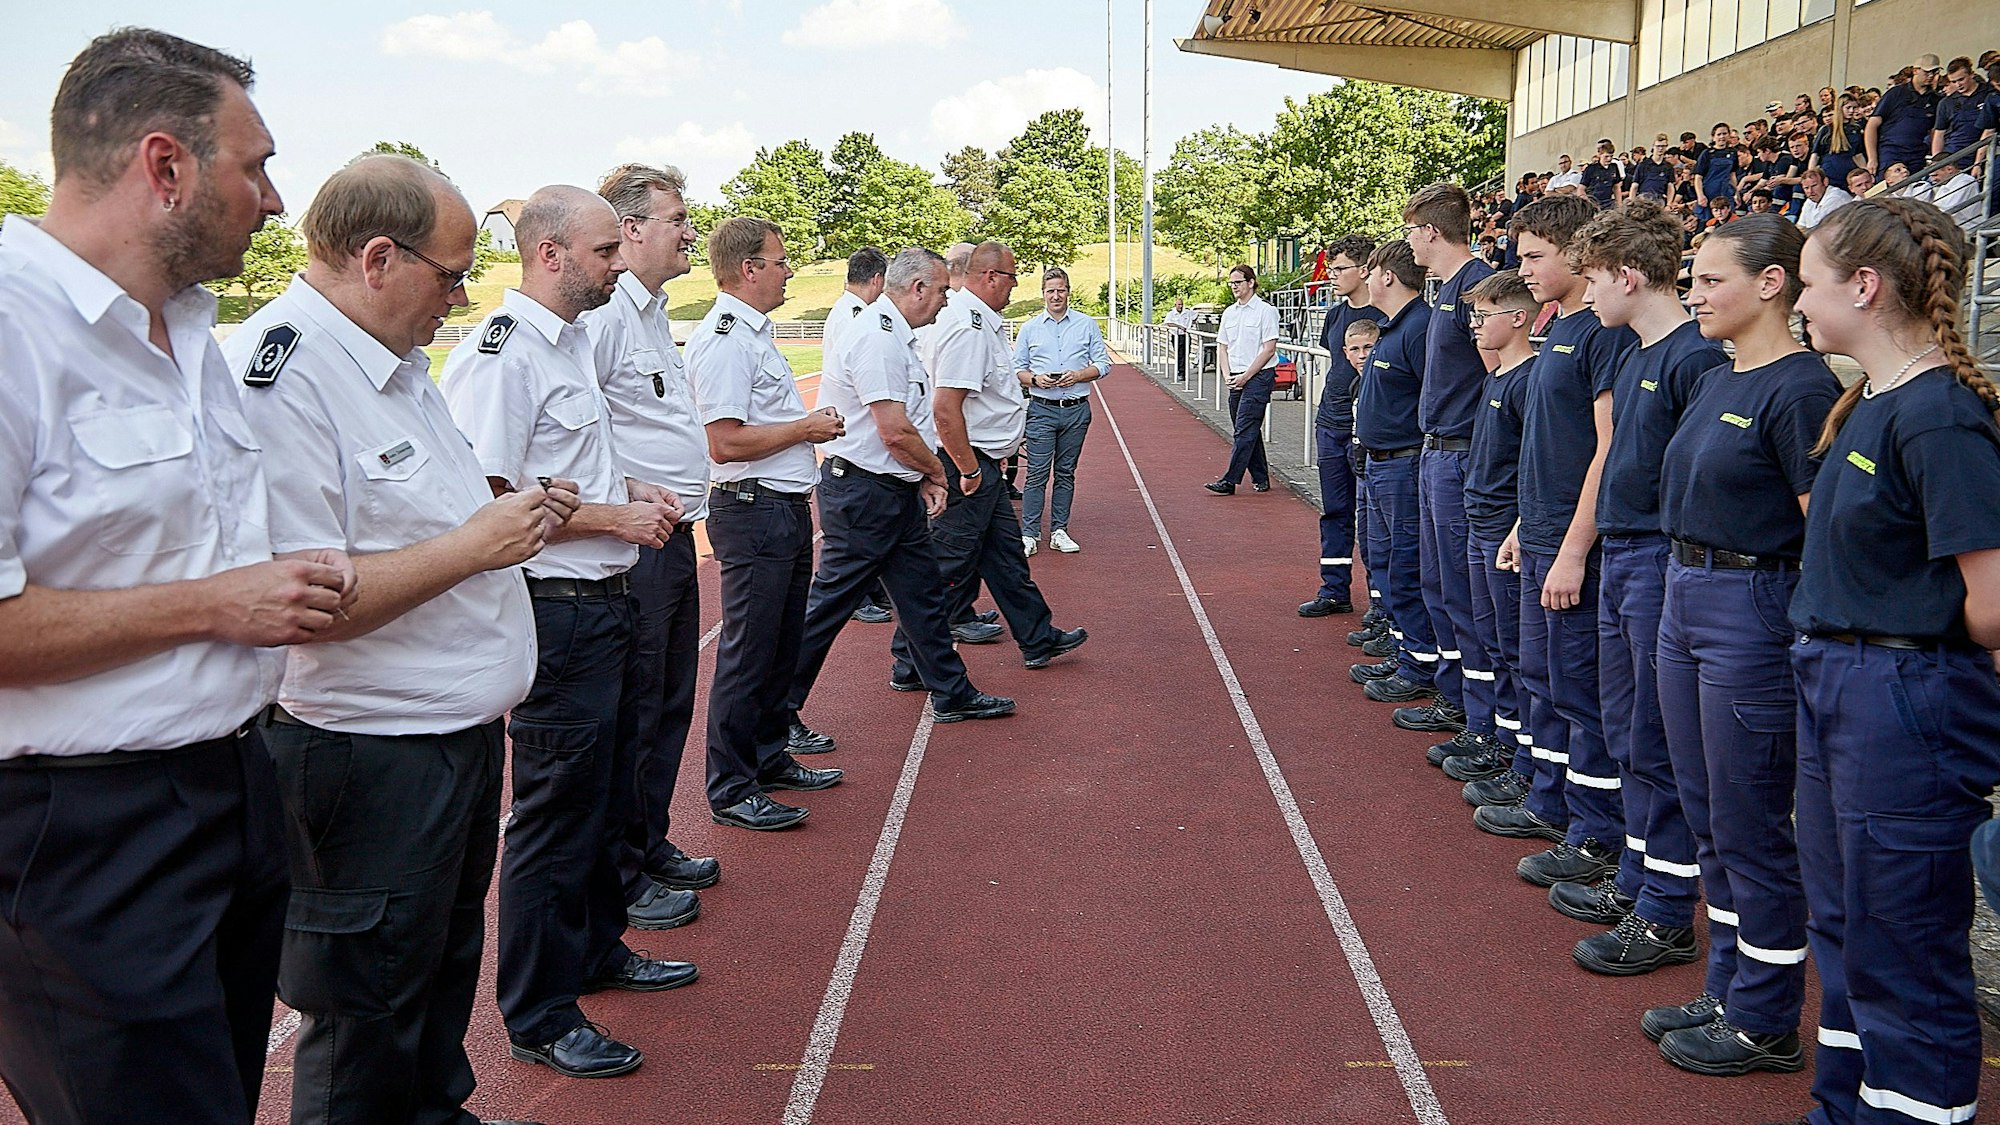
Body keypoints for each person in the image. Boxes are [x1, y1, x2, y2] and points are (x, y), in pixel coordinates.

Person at [0, 29, 352, 1124]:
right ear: (166, 166)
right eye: (256, 166)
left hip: (232, 788)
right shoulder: (17, 330)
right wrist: (218, 603)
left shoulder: (191, 333)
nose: (276, 200)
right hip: (85, 830)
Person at [228, 153, 571, 1125]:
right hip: (367, 755)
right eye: (451, 274)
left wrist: (503, 514)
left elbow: (413, 519)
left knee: (434, 972)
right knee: (362, 1013)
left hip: (446, 736)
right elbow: (306, 600)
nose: (461, 299)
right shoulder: (288, 371)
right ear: (379, 257)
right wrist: (474, 544)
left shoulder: (398, 366)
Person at [442, 186, 689, 1081]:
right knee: (552, 814)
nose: (617, 265)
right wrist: (609, 523)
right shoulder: (503, 357)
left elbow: (576, 460)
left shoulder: (574, 341)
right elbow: (487, 499)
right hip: (555, 609)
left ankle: (593, 949)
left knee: (602, 793)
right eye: (601, 252)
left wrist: (633, 493)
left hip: (604, 604)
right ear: (548, 254)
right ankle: (540, 1012)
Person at [1771, 197, 2000, 1125]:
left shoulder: (1941, 417)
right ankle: (1847, 1107)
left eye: (1813, 283)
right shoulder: (1872, 400)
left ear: (1864, 286)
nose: (1800, 303)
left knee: (1901, 935)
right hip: (1843, 681)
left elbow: (1993, 603)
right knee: (1847, 924)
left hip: (1903, 695)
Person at [1647, 214, 1837, 1079]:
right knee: (1710, 810)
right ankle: (1729, 986)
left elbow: (1821, 534)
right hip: (1686, 594)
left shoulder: (1799, 388)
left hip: (1751, 605)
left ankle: (1765, 1016)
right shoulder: (1720, 376)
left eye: (1711, 278)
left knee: (1751, 816)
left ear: (1771, 284)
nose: (1694, 292)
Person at [1560, 198, 1729, 978]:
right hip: (1625, 558)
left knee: (1658, 742)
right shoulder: (1631, 354)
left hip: (1662, 561)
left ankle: (1667, 910)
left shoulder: (1695, 357)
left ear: (1629, 276)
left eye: (1594, 279)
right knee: (1628, 729)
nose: (1587, 294)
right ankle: (1639, 880)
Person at [1478, 195, 1639, 901]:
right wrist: (1524, 523)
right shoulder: (1560, 327)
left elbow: (1606, 449)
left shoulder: (1603, 335)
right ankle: (1553, 799)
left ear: (1578, 254)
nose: (1525, 268)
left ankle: (1597, 830)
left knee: (1584, 695)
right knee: (1546, 678)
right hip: (1539, 532)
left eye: (1536, 255)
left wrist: (1575, 548)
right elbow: (1548, 445)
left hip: (1575, 545)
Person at [783, 247, 1016, 730]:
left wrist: (919, 476)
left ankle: (951, 692)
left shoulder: (896, 335)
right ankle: (776, 712)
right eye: (943, 293)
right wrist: (935, 473)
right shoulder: (878, 338)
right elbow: (895, 431)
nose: (947, 303)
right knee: (827, 610)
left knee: (922, 596)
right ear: (917, 289)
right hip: (866, 494)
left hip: (888, 489)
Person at [582, 164, 722, 932]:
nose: (688, 233)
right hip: (640, 543)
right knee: (636, 711)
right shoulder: (605, 316)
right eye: (675, 218)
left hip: (675, 539)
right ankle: (624, 875)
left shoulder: (651, 314)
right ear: (630, 228)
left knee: (669, 701)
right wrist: (625, 495)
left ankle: (649, 839)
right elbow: (584, 428)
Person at [686, 218, 845, 832]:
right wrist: (805, 428)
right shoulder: (727, 337)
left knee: (779, 646)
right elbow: (724, 442)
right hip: (752, 509)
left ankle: (770, 756)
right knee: (748, 653)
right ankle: (730, 786)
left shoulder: (753, 334)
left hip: (780, 507)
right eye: (779, 261)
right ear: (747, 269)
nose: (789, 271)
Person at [889, 240, 1088, 687]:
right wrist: (968, 470)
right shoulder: (968, 326)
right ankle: (908, 660)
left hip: (982, 461)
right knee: (947, 564)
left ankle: (1037, 636)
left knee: (1004, 556)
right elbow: (946, 407)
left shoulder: (979, 322)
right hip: (969, 462)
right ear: (991, 277)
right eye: (1013, 278)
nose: (1016, 288)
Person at [1402, 183, 1497, 757]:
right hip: (1437, 448)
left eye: (1411, 230)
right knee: (1439, 583)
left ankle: (1482, 718)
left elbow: (1495, 374)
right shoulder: (1446, 290)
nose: (1408, 242)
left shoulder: (1475, 287)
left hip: (1460, 452)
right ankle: (1456, 695)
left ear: (1431, 232)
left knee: (1463, 591)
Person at [1445, 271, 1538, 799]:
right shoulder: (1497, 377)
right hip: (1480, 521)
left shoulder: (1527, 381)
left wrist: (1518, 527)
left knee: (1515, 646)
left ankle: (1523, 755)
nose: (1475, 326)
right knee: (1492, 639)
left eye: (1484, 316)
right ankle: (1502, 739)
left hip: (1504, 526)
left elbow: (1533, 464)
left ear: (1518, 317)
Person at [1348, 240, 1440, 707]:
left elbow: (1431, 396)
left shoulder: (1419, 327)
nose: (1365, 277)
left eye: (1370, 270)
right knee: (1387, 561)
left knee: (1406, 566)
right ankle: (1407, 650)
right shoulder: (1393, 327)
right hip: (1381, 464)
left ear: (1386, 276)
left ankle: (1420, 663)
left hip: (1403, 465)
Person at [1300, 235, 1377, 619]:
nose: (1332, 276)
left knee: (1374, 518)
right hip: (1331, 422)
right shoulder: (1333, 315)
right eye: (1331, 268)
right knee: (1335, 511)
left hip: (1370, 430)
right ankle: (1334, 590)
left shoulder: (1385, 316)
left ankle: (1380, 601)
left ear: (1365, 270)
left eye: (1340, 269)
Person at [1014, 268, 1110, 556]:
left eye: (1061, 290)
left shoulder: (1086, 324)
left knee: (1066, 472)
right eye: (1050, 291)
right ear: (1043, 294)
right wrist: (1035, 380)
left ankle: (1059, 530)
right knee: (1036, 474)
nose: (1056, 296)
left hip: (1076, 410)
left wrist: (1080, 375)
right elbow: (1016, 367)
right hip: (1042, 409)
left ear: (1068, 291)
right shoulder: (1030, 328)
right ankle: (1030, 533)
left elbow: (1104, 364)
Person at [826, 248, 895, 626]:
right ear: (878, 280)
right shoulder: (854, 316)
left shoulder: (848, 311)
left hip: (851, 426)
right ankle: (856, 597)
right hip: (853, 429)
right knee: (854, 530)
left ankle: (871, 590)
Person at [1204, 264, 1281, 495]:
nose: (1234, 287)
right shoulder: (1230, 312)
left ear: (1251, 282)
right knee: (1246, 429)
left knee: (1244, 429)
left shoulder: (1265, 311)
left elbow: (1269, 349)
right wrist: (1227, 375)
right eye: (1231, 283)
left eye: (1238, 282)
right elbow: (1222, 347)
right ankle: (1260, 477)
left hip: (1258, 376)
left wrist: (1247, 376)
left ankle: (1230, 481)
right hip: (1235, 376)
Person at [1867, 53, 1942, 182]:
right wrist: (1872, 158)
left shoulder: (1936, 100)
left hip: (1917, 155)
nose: (1930, 76)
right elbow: (1872, 125)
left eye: (1934, 72)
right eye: (1926, 72)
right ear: (1915, 71)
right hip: (1891, 151)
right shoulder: (1896, 93)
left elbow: (1934, 131)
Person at [1931, 56, 1985, 161]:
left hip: (1984, 153)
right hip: (1954, 155)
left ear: (1972, 74)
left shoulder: (1988, 94)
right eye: (1953, 82)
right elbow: (1939, 135)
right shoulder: (1946, 103)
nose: (1958, 85)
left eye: (1961, 79)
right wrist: (1936, 162)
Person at [1695, 123, 1739, 224]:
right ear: (1713, 137)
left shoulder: (1733, 153)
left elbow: (1732, 175)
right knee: (1708, 221)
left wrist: (1736, 193)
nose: (1722, 137)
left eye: (1724, 134)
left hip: (1726, 191)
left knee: (1729, 221)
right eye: (1719, 134)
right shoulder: (1707, 153)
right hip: (1710, 191)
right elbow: (1698, 177)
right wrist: (1700, 195)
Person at [1166, 296, 1197, 381]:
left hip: (1185, 335)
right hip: (1176, 335)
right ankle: (1181, 372)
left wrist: (1191, 324)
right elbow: (1168, 323)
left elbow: (1195, 315)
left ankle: (1183, 372)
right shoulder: (1171, 313)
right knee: (1179, 354)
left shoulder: (1187, 312)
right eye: (1179, 304)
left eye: (1181, 304)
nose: (1180, 306)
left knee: (1185, 354)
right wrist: (1179, 326)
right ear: (1175, 305)